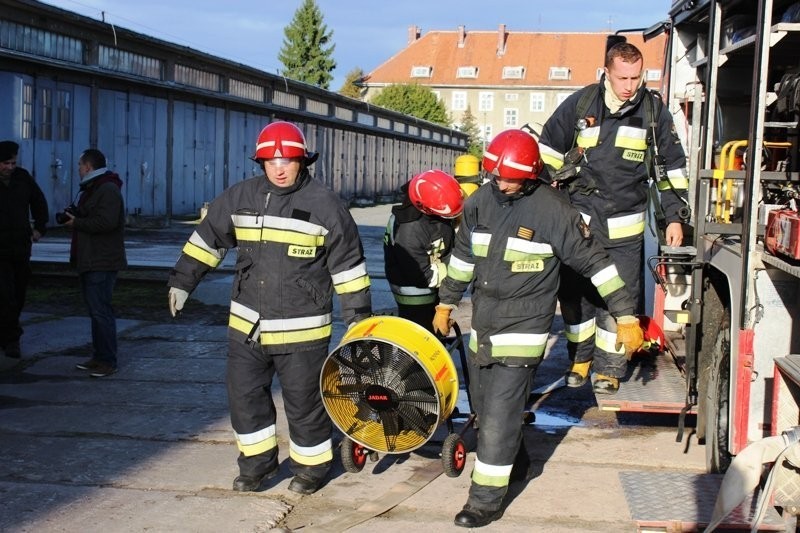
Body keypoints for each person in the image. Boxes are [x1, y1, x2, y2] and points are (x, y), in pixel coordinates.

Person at [433, 129, 643, 529]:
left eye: (510, 177)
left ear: (530, 175)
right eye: (496, 174)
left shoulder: (553, 211)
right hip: (483, 329)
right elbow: (462, 258)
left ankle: (484, 500)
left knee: (497, 418)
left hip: (524, 330)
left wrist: (625, 314)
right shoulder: (479, 203)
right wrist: (446, 302)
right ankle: (519, 463)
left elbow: (596, 263)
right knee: (485, 408)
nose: (502, 182)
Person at [167, 121, 372, 495]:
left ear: (302, 161)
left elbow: (349, 268)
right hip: (248, 326)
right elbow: (207, 239)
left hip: (303, 330)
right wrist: (183, 281)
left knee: (304, 404)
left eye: (288, 160)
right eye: (271, 160)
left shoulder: (325, 206)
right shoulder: (239, 197)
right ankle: (256, 466)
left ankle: (311, 468)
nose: (279, 168)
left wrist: (358, 319)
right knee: (244, 399)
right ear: (260, 162)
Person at [538, 41, 689, 394]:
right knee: (576, 298)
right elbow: (547, 148)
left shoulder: (653, 113)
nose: (629, 86)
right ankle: (579, 360)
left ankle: (610, 369)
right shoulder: (582, 104)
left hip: (625, 227)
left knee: (618, 298)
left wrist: (675, 218)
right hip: (580, 223)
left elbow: (671, 170)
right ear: (607, 72)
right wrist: (558, 200)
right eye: (622, 77)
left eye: (637, 77)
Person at [61, 149, 127, 378]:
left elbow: (106, 222)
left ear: (88, 167)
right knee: (96, 311)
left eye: (80, 165)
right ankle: (99, 357)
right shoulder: (95, 187)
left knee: (101, 312)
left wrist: (77, 222)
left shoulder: (106, 189)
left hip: (101, 260)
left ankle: (108, 361)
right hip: (91, 258)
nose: (78, 169)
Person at [383, 169, 463, 331]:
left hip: (433, 286)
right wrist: (457, 274)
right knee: (420, 335)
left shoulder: (435, 214)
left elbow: (448, 248)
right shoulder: (410, 229)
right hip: (413, 294)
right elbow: (421, 274)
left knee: (433, 333)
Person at [0, 141, 48, 360]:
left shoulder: (22, 178)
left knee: (18, 293)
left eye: (13, 162)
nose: (10, 167)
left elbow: (38, 201)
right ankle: (11, 338)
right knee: (5, 294)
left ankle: (9, 334)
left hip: (20, 246)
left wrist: (39, 227)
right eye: (5, 163)